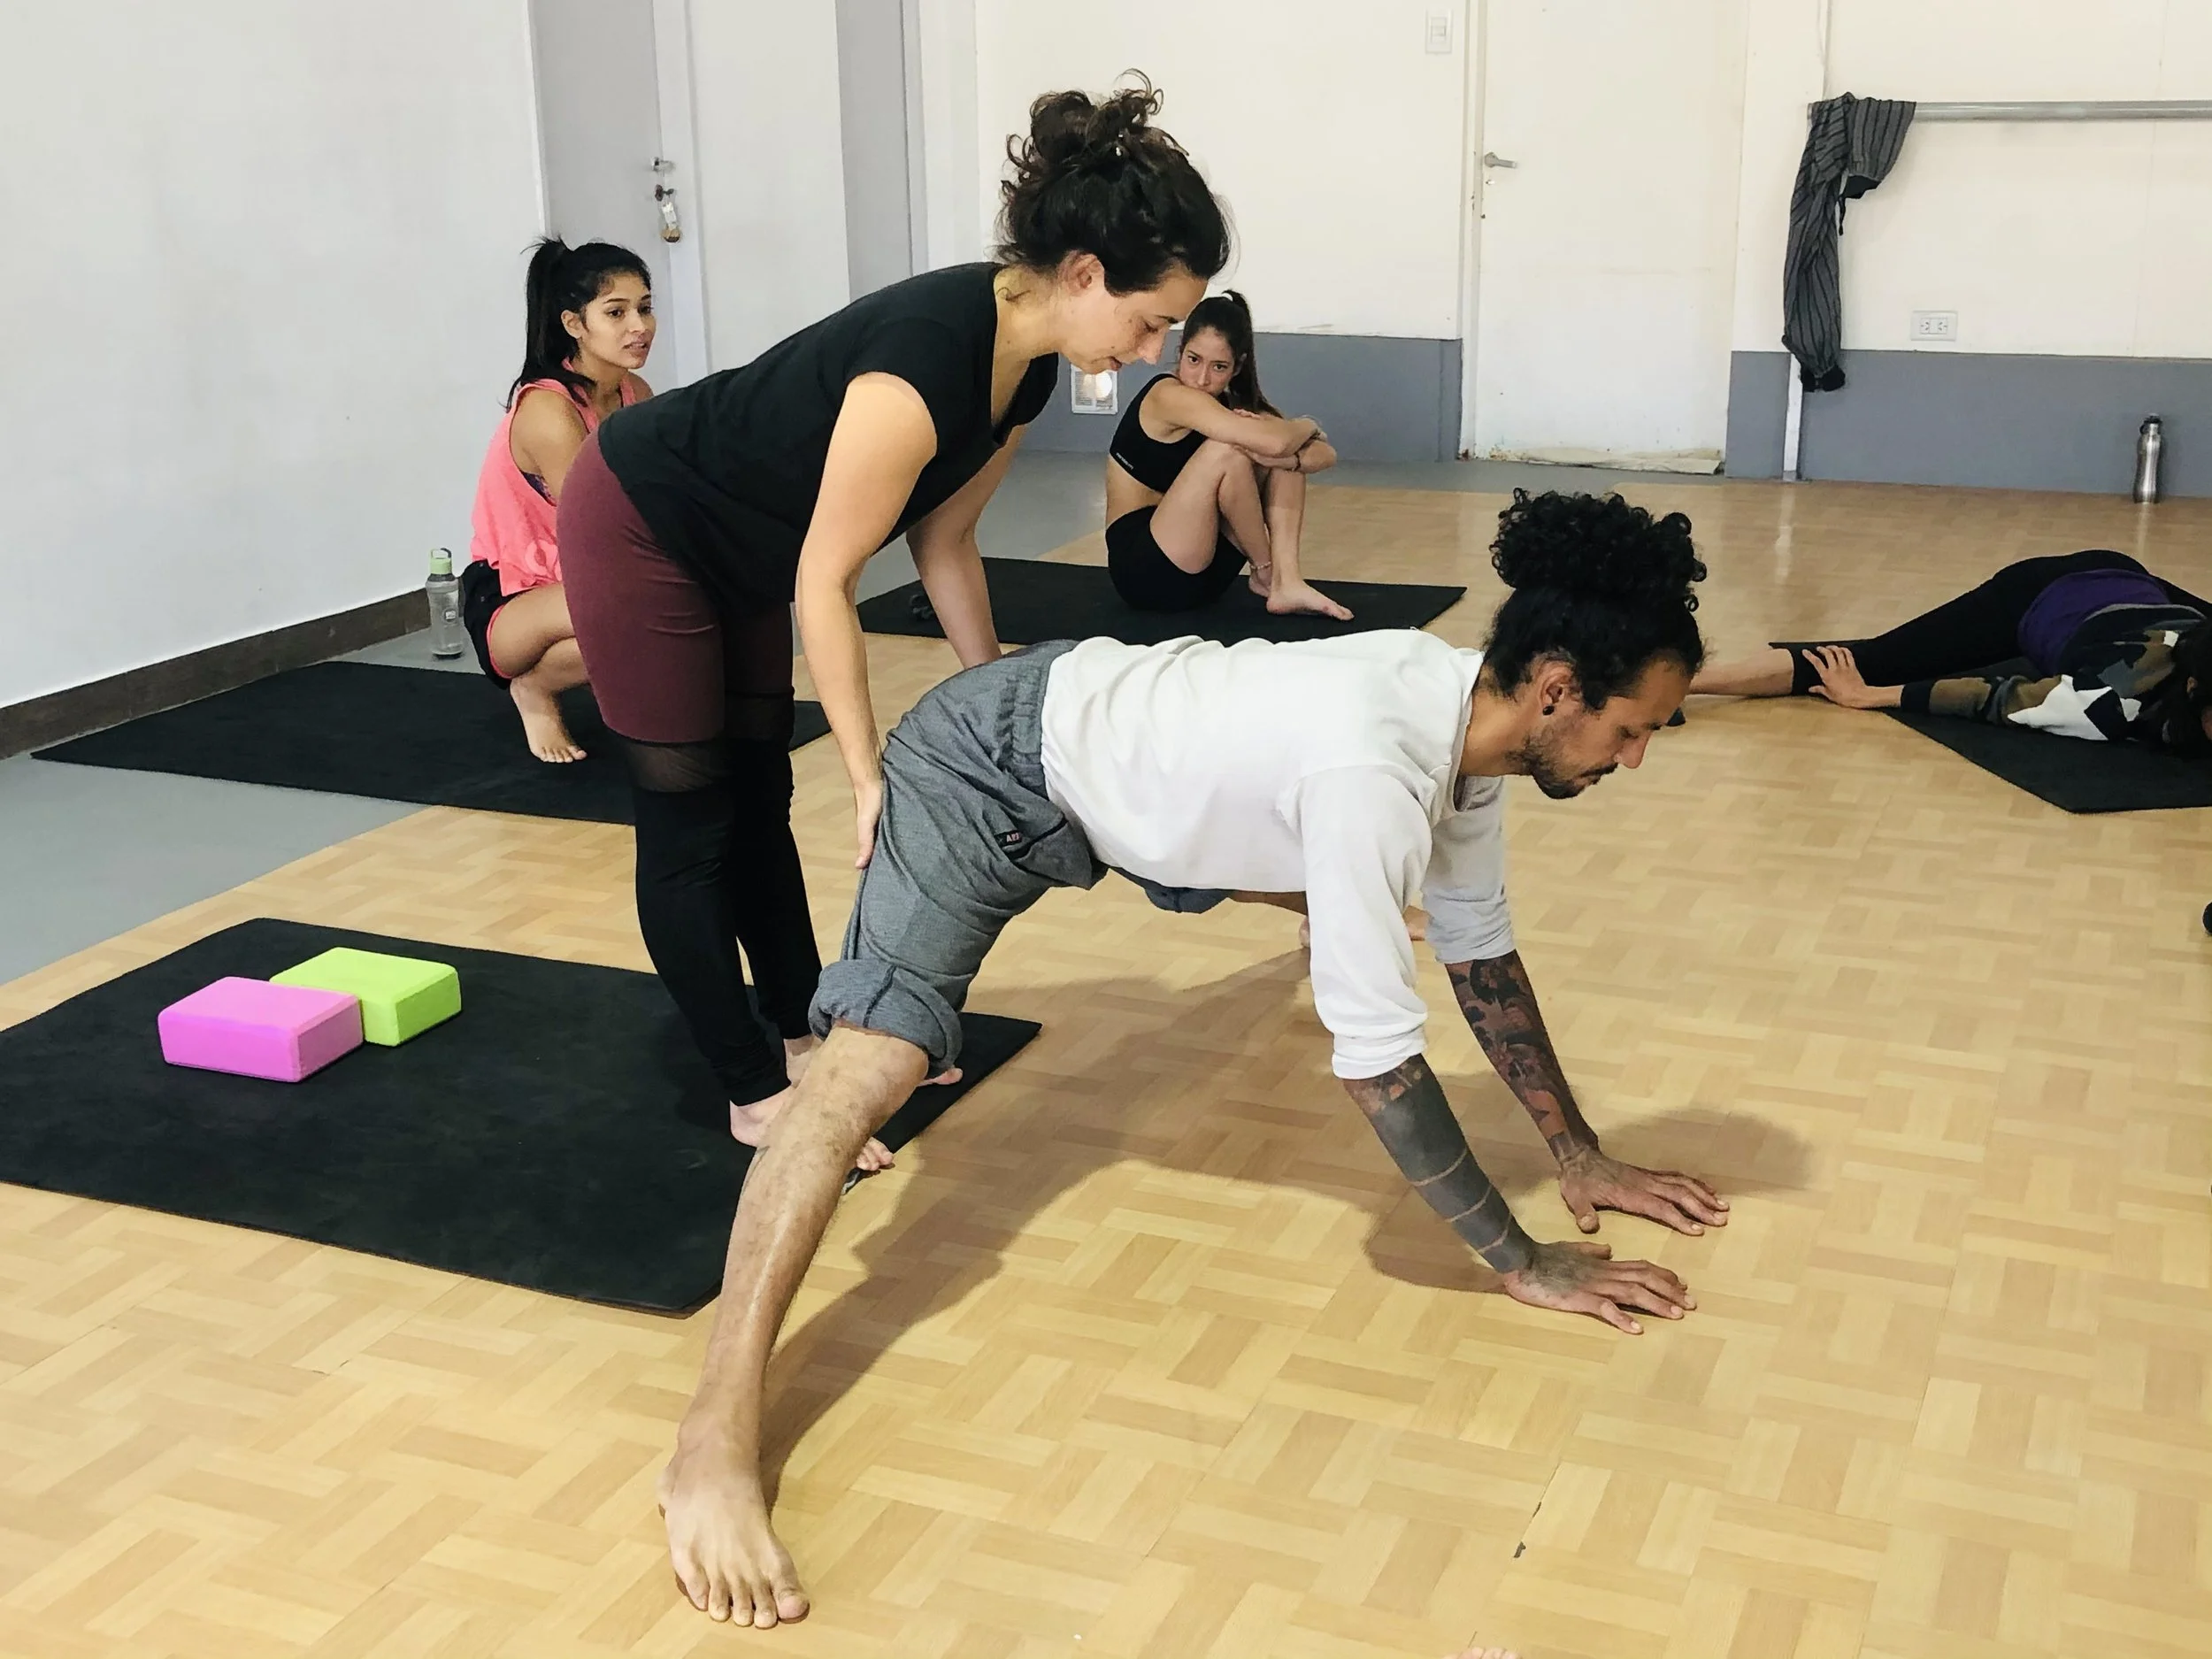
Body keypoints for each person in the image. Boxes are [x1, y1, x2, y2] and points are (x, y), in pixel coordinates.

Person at [657, 489, 1732, 1627]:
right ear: (1556, 690)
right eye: (1632, 727)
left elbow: (1482, 956)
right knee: (860, 1080)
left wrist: (1579, 1154)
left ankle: (1234, 867)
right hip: (985, 767)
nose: (1639, 755)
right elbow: (1377, 1063)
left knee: (1367, 892)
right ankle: (710, 1442)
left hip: (1130, 763)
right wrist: (1523, 1262)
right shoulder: (1374, 769)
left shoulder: (1465, 716)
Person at [557, 82, 1230, 1159]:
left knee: (760, 791)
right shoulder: (925, 356)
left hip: (743, 544)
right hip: (645, 518)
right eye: (1152, 321)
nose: (1153, 349)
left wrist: (1003, 705)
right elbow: (830, 579)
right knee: (690, 821)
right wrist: (870, 775)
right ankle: (747, 1087)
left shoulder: (1028, 373)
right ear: (1087, 275)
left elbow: (943, 542)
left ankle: (797, 1033)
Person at [1691, 549, 2212, 752]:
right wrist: (1876, 695)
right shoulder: (2107, 699)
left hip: (2139, 582)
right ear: (2192, 689)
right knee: (1871, 660)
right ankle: (1683, 682)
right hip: (2035, 595)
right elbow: (1996, 698)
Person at [465, 238, 654, 762]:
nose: (638, 326)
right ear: (574, 324)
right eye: (616, 312)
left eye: (644, 307)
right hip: (509, 598)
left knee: (679, 599)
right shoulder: (549, 411)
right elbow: (599, 528)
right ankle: (533, 687)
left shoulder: (635, 393)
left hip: (581, 578)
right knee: (652, 607)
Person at [1104, 288, 1350, 618]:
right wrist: (1305, 424)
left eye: (1218, 367)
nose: (1202, 379)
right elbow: (1277, 441)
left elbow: (1325, 455)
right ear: (1180, 351)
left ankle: (1287, 582)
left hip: (1204, 575)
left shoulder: (1232, 408)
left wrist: (1287, 456)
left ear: (1237, 368)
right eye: (1194, 360)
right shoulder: (1169, 395)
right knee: (1232, 450)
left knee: (1278, 456)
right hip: (1145, 571)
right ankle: (1266, 571)